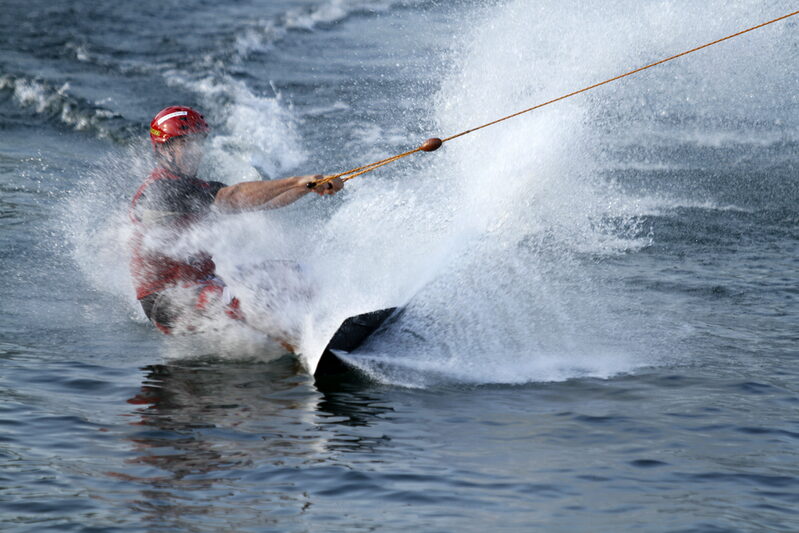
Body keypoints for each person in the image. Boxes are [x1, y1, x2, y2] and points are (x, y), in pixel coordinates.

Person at [130, 105, 343, 335]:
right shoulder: (160, 190)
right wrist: (297, 181)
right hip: (169, 299)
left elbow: (265, 202)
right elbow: (233, 196)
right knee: (251, 301)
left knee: (295, 275)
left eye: (198, 142)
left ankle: (330, 325)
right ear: (164, 149)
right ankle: (305, 341)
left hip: (206, 282)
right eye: (185, 144)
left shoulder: (197, 187)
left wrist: (310, 187)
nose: (196, 150)